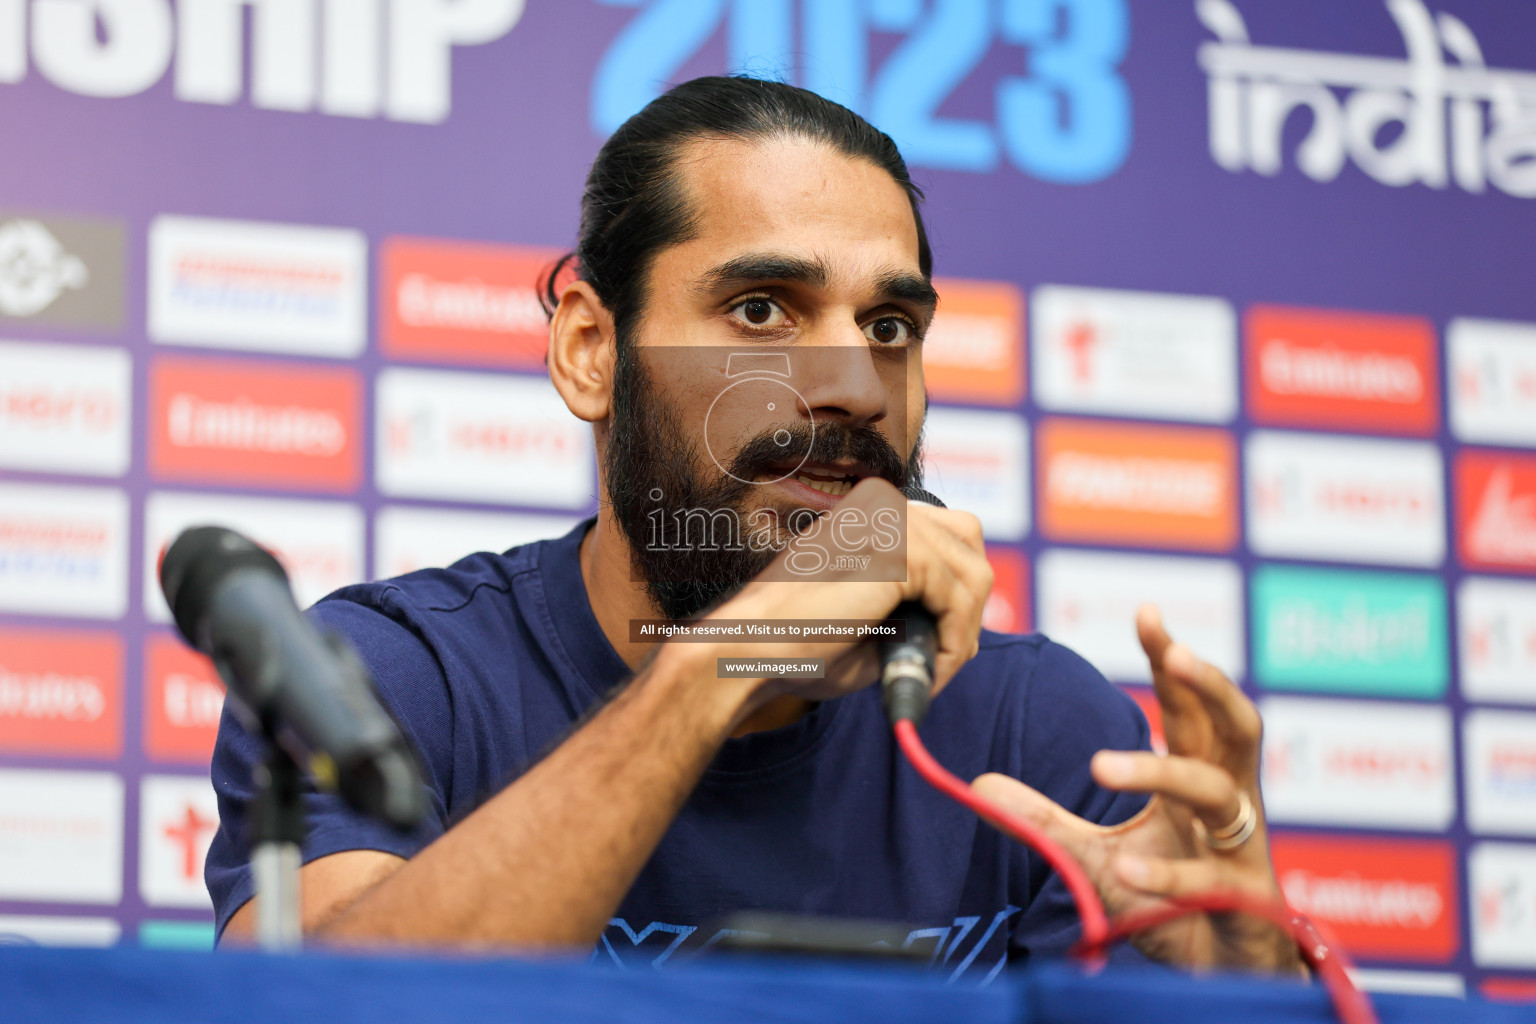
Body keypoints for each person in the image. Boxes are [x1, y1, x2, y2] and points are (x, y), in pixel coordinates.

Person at [207, 76, 1301, 978]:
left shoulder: (1037, 731)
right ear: (592, 350)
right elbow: (308, 1008)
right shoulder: (386, 682)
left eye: (888, 326)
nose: (853, 389)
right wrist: (731, 654)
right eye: (763, 309)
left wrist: (1242, 991)